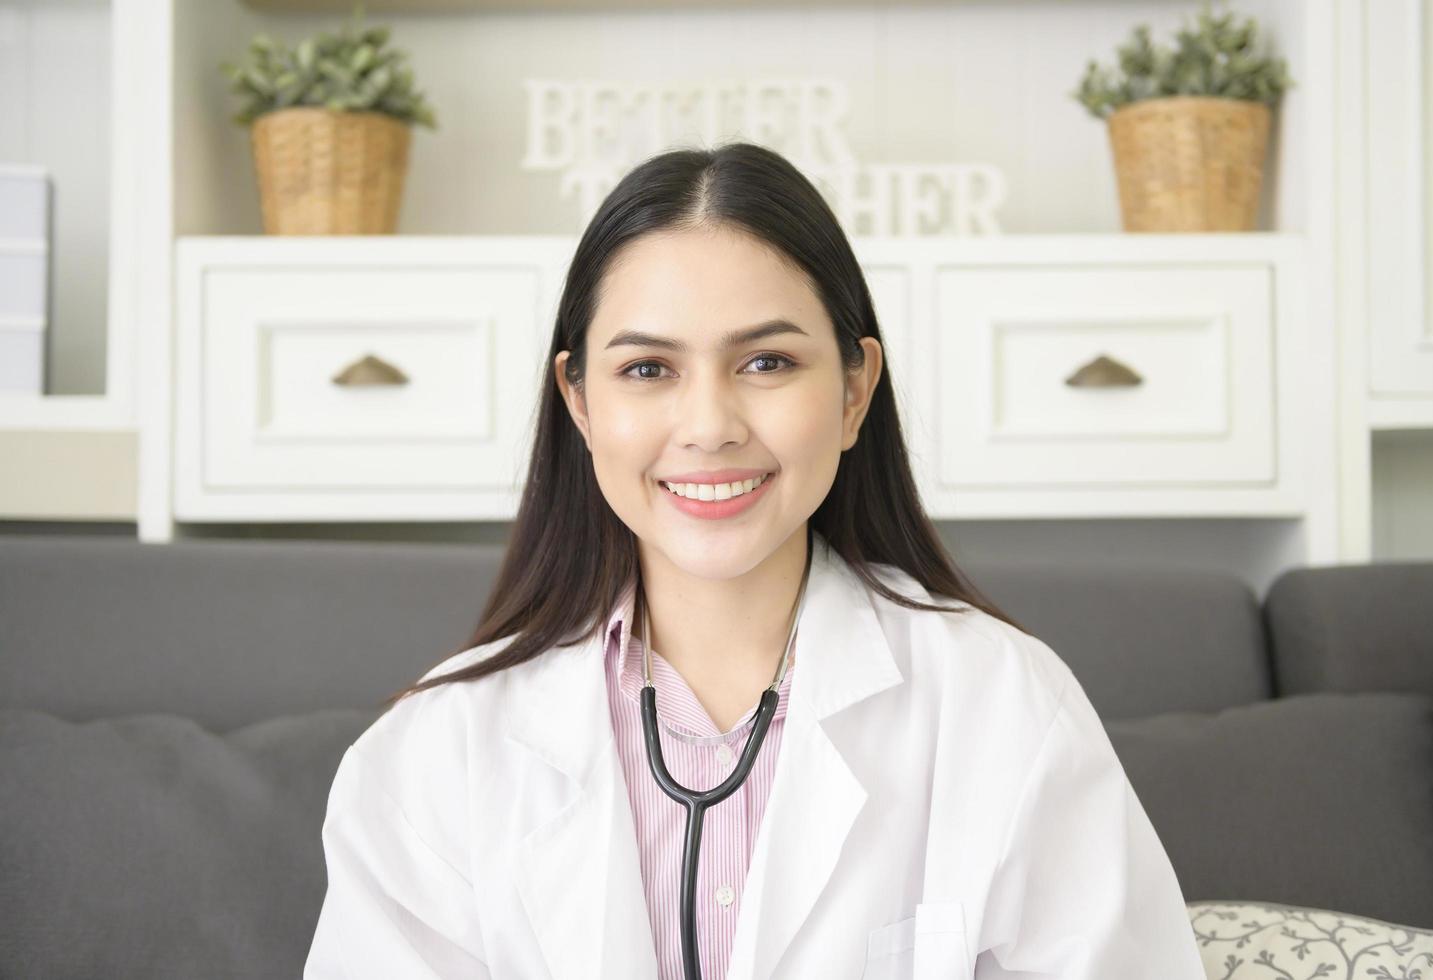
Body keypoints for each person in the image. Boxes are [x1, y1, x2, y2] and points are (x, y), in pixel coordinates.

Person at [302, 141, 1206, 980]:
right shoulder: (431, 758)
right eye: (648, 370)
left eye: (767, 362)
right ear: (578, 404)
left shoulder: (1005, 709)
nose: (709, 427)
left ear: (854, 391)